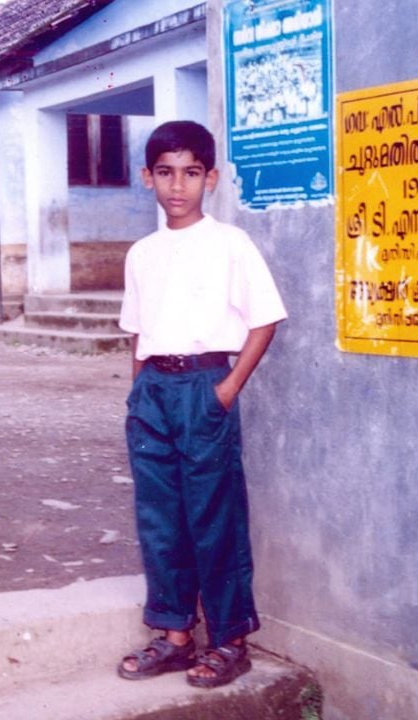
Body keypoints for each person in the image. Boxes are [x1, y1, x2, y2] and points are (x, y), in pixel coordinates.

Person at [115, 120, 286, 689]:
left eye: (191, 173)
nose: (177, 186)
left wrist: (227, 389)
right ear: (148, 178)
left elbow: (265, 320)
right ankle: (175, 636)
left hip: (205, 386)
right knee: (160, 518)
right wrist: (137, 394)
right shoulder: (142, 253)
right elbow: (137, 332)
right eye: (165, 173)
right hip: (154, 394)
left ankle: (231, 640)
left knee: (213, 517)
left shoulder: (229, 244)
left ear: (210, 179)